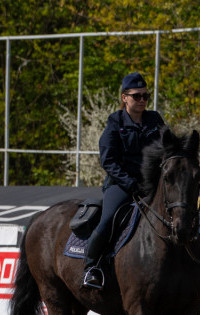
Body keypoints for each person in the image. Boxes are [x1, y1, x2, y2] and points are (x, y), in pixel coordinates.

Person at [82, 72, 167, 289]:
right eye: (136, 96)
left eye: (145, 96)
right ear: (124, 97)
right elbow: (108, 161)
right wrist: (130, 184)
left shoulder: (155, 120)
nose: (142, 100)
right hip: (121, 185)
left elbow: (168, 148)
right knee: (108, 219)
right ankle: (91, 267)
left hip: (151, 184)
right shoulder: (115, 122)